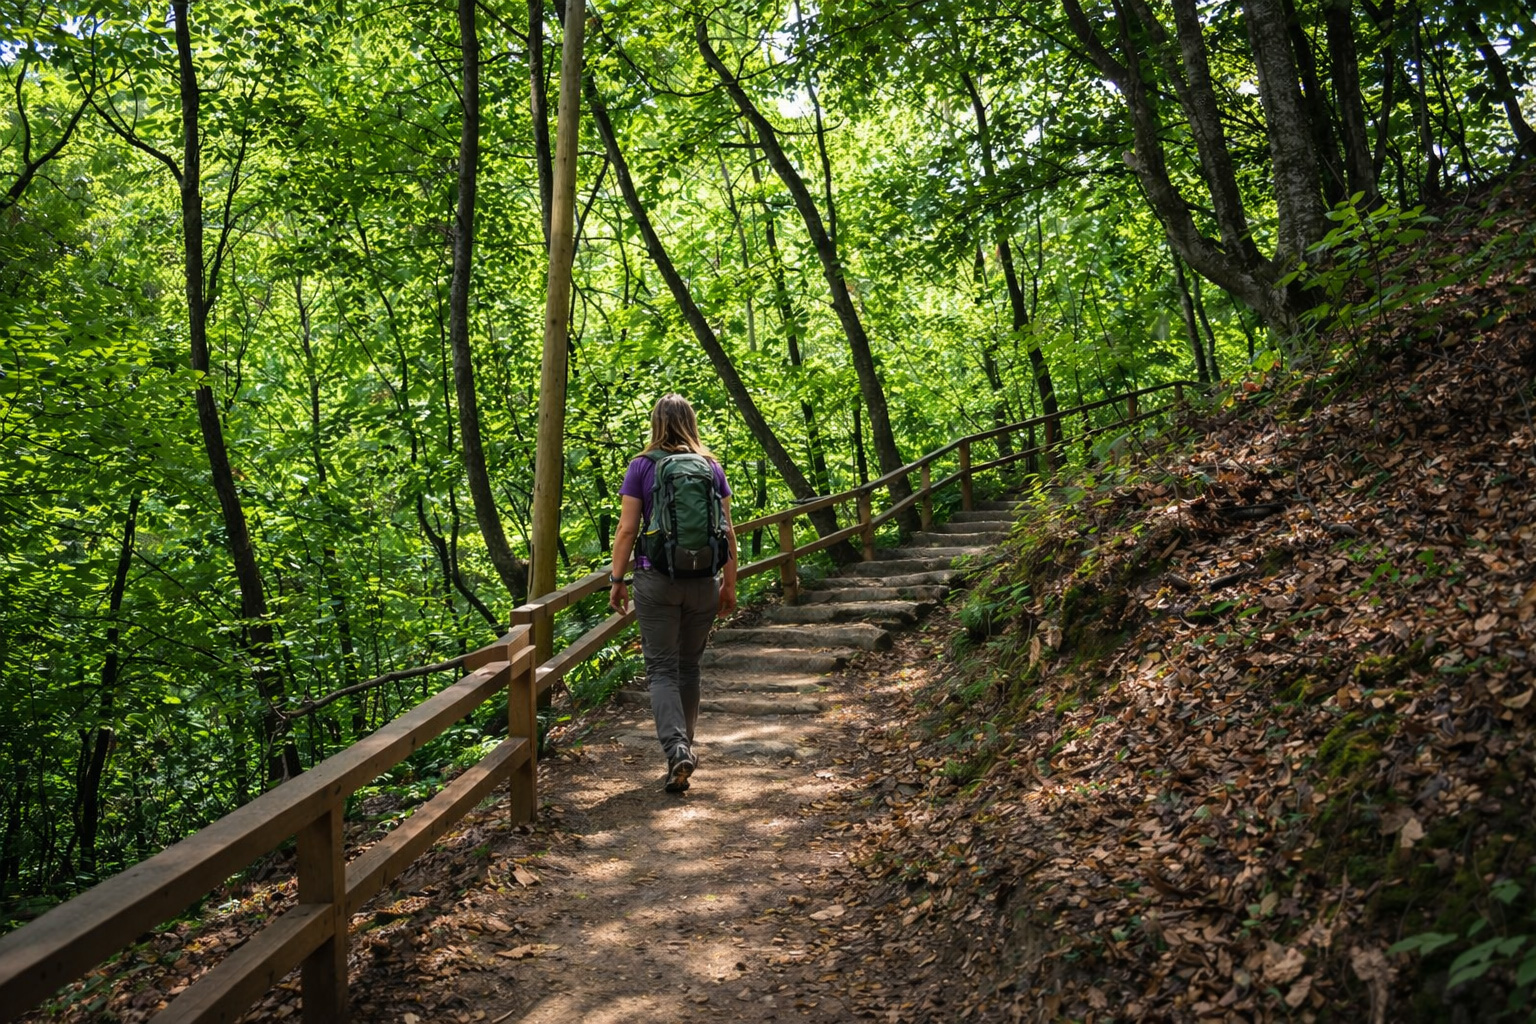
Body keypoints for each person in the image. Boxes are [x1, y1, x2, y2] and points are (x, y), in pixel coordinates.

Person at [609, 394, 738, 793]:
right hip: (703, 581)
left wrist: (616, 579)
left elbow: (627, 529)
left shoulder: (641, 466)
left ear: (656, 423)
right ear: (691, 422)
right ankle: (684, 750)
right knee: (689, 667)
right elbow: (728, 530)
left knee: (662, 669)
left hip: (656, 579)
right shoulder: (710, 467)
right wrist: (729, 583)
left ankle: (677, 749)